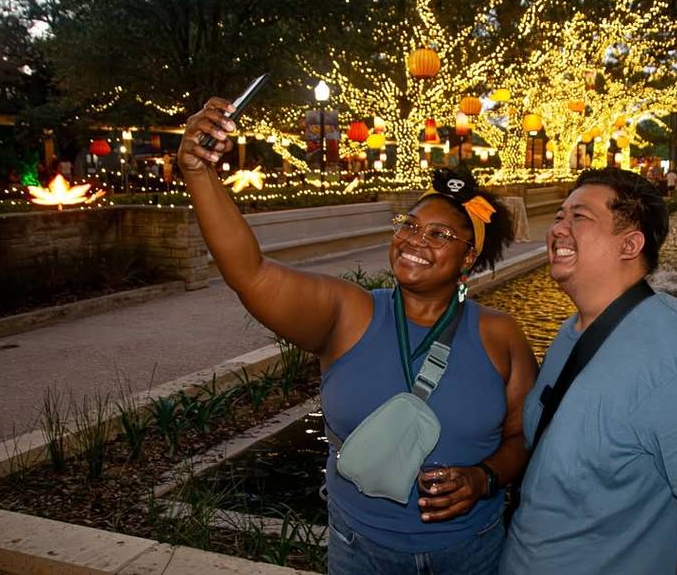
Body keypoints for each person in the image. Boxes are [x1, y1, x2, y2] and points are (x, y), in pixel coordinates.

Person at [179, 98, 537, 575]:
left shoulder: (500, 334)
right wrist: (199, 174)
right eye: (408, 225)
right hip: (361, 548)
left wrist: (484, 478)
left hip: (470, 549)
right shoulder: (349, 313)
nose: (413, 240)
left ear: (468, 259)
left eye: (438, 235)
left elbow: (522, 436)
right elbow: (250, 274)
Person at [499, 168, 677, 574]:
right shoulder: (572, 331)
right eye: (560, 215)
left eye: (579, 217)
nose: (558, 229)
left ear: (630, 244)